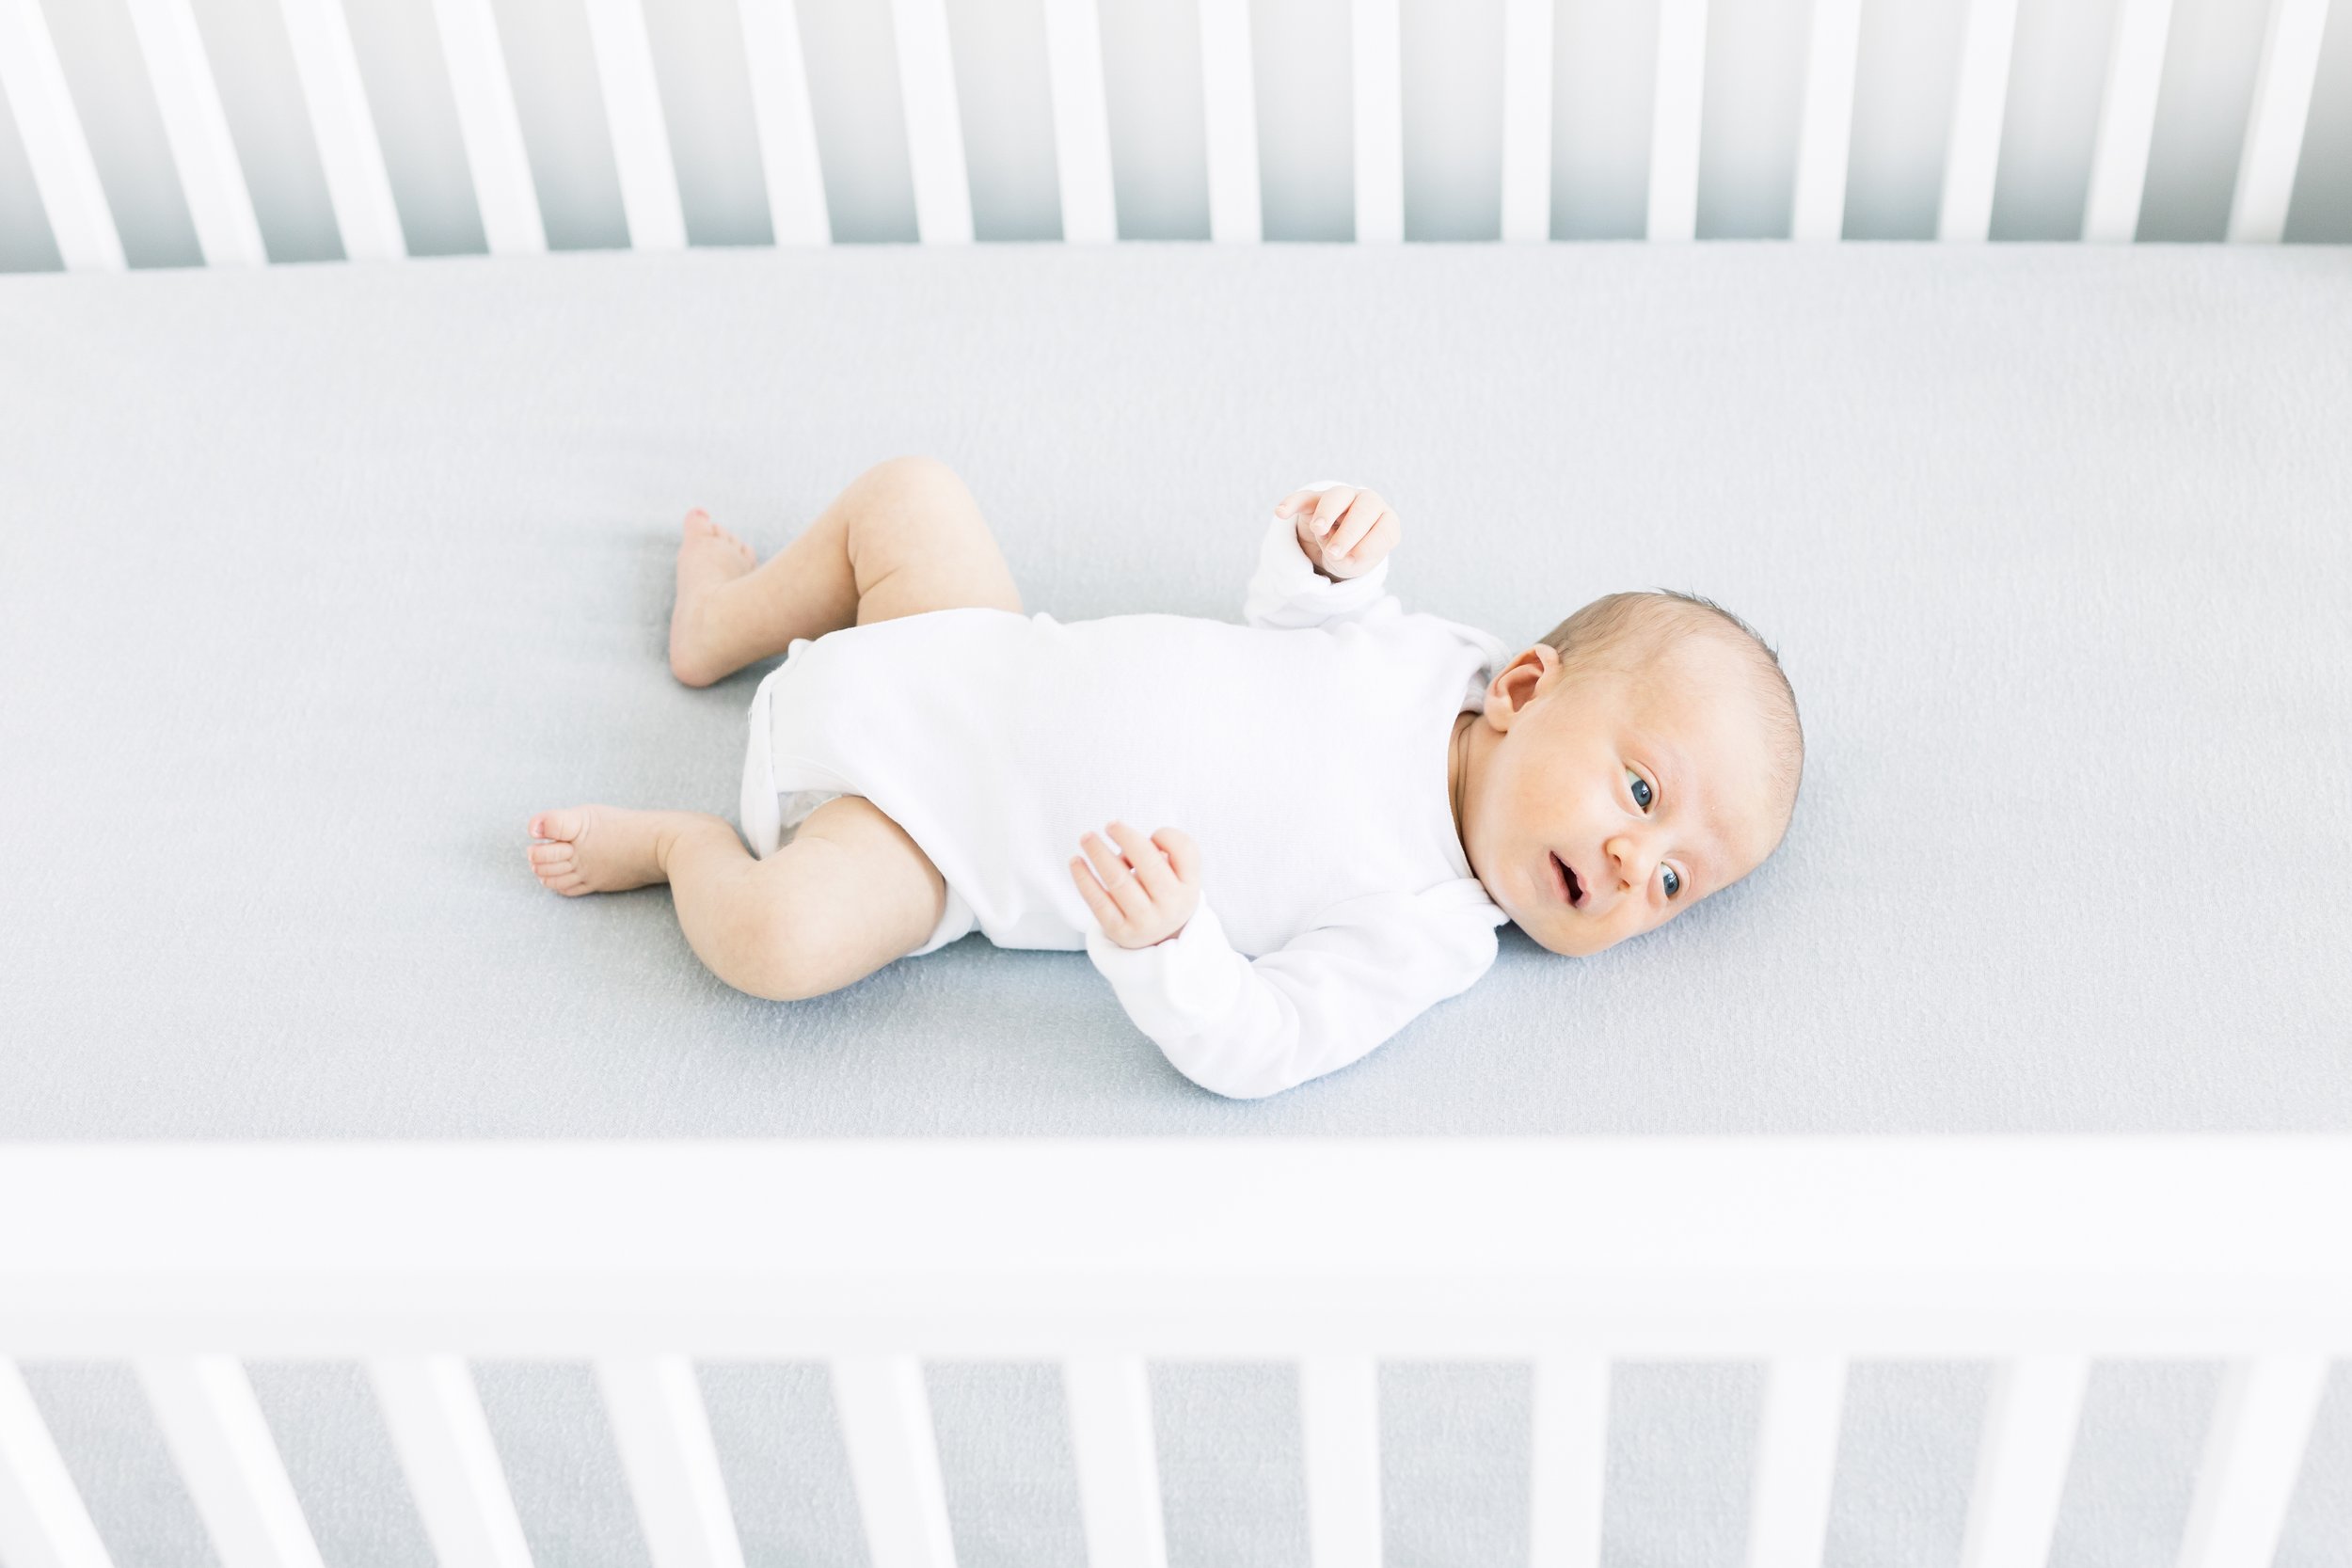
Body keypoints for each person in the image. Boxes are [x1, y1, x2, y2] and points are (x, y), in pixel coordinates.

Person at [525, 456, 1803, 1098]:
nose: (1640, 864)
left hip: (934, 841)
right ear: (1525, 693)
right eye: (1642, 794)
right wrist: (1323, 561)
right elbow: (1293, 623)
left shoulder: (1425, 929)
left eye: (1681, 878)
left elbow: (1268, 1042)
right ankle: (724, 624)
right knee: (910, 494)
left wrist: (1170, 944)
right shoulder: (1437, 664)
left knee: (779, 941)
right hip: (967, 645)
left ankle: (679, 849)